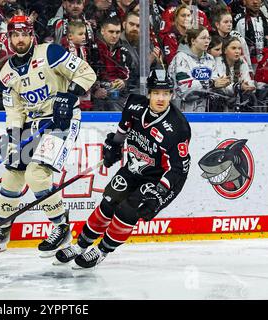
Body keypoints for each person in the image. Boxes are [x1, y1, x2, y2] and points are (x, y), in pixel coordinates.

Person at [0, 15, 97, 256]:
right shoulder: (6, 72)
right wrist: (14, 135)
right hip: (31, 123)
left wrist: (69, 95)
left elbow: (86, 73)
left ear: (32, 35)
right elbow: (14, 108)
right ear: (9, 38)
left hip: (62, 120)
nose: (20, 39)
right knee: (12, 175)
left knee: (37, 174)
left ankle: (61, 228)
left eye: (24, 34)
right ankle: (2, 230)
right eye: (14, 35)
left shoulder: (50, 52)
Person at [54, 69, 192, 269]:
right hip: (134, 168)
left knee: (127, 212)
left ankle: (102, 250)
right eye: (156, 93)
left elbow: (177, 169)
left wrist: (160, 192)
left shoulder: (178, 127)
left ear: (171, 95)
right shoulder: (135, 104)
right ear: (149, 94)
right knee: (108, 204)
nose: (160, 98)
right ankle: (80, 245)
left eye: (165, 93)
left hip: (159, 180)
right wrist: (114, 146)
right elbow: (123, 128)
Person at [168, 26, 229, 112]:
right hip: (182, 112)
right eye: (203, 38)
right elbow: (184, 88)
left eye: (208, 38)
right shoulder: (181, 58)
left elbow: (215, 81)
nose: (207, 41)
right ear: (193, 41)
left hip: (206, 112)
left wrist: (224, 83)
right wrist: (212, 83)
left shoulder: (210, 59)